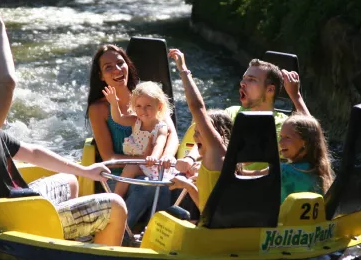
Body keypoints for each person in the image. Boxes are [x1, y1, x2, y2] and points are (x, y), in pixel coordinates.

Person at [0, 10, 127, 246]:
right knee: (115, 205)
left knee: (70, 180)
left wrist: (86, 171)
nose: (5, 108)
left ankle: (66, 240)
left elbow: (34, 153)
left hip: (19, 204)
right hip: (16, 218)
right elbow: (7, 83)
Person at [86, 44, 177, 228]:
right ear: (101, 76)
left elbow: (170, 134)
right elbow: (108, 157)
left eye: (120, 63)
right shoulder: (99, 109)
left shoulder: (147, 96)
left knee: (171, 184)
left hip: (154, 167)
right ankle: (118, 231)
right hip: (120, 177)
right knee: (147, 186)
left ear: (128, 65)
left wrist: (165, 157)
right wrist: (140, 160)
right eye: (108, 67)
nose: (117, 70)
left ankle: (159, 234)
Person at [176, 58, 310, 176]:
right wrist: (190, 159)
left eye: (251, 80)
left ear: (270, 90)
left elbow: (313, 141)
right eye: (243, 78)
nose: (242, 83)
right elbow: (205, 136)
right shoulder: (230, 113)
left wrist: (296, 96)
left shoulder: (283, 125)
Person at [166, 48, 233, 214]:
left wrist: (183, 70)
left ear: (219, 135)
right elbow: (206, 209)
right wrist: (188, 185)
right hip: (211, 225)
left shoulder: (217, 152)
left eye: (200, 131)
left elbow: (197, 107)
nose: (195, 136)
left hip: (211, 233)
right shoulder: (233, 162)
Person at [101, 81, 175, 196]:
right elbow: (118, 118)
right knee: (130, 168)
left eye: (148, 106)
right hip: (141, 163)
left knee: (130, 168)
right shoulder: (136, 121)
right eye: (139, 106)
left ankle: (116, 197)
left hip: (153, 166)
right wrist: (114, 104)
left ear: (159, 106)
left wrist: (153, 157)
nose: (143, 110)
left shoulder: (161, 127)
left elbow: (159, 144)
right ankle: (116, 199)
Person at [277, 115, 334, 202]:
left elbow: (252, 178)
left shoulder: (284, 171)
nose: (280, 142)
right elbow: (313, 127)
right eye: (281, 137)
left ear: (305, 142)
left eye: (287, 137)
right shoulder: (320, 171)